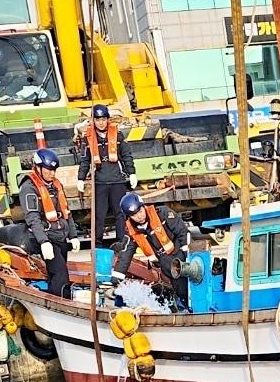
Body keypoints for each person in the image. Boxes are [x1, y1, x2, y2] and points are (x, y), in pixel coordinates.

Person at [19, 148, 79, 297]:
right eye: (48, 170)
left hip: (60, 235)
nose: (52, 173)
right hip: (46, 238)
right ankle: (63, 305)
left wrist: (73, 235)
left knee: (55, 275)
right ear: (38, 168)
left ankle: (52, 297)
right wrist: (43, 241)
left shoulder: (56, 185)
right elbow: (32, 217)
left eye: (54, 170)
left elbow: (66, 212)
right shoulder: (29, 188)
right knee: (61, 275)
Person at [112, 192, 190, 307]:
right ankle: (182, 303)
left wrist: (187, 254)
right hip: (166, 267)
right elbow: (125, 256)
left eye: (140, 211)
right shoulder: (132, 233)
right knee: (178, 291)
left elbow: (182, 232)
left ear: (144, 206)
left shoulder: (162, 213)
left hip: (180, 257)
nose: (140, 216)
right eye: (134, 215)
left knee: (188, 285)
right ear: (129, 217)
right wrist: (115, 280)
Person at [76, 104, 136, 246]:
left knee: (120, 214)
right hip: (100, 182)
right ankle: (97, 245)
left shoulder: (118, 135)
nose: (101, 122)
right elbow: (85, 160)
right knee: (99, 216)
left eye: (103, 119)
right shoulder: (88, 138)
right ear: (93, 121)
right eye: (97, 119)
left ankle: (122, 242)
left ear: (107, 119)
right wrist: (81, 177)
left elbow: (126, 155)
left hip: (117, 181)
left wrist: (132, 173)